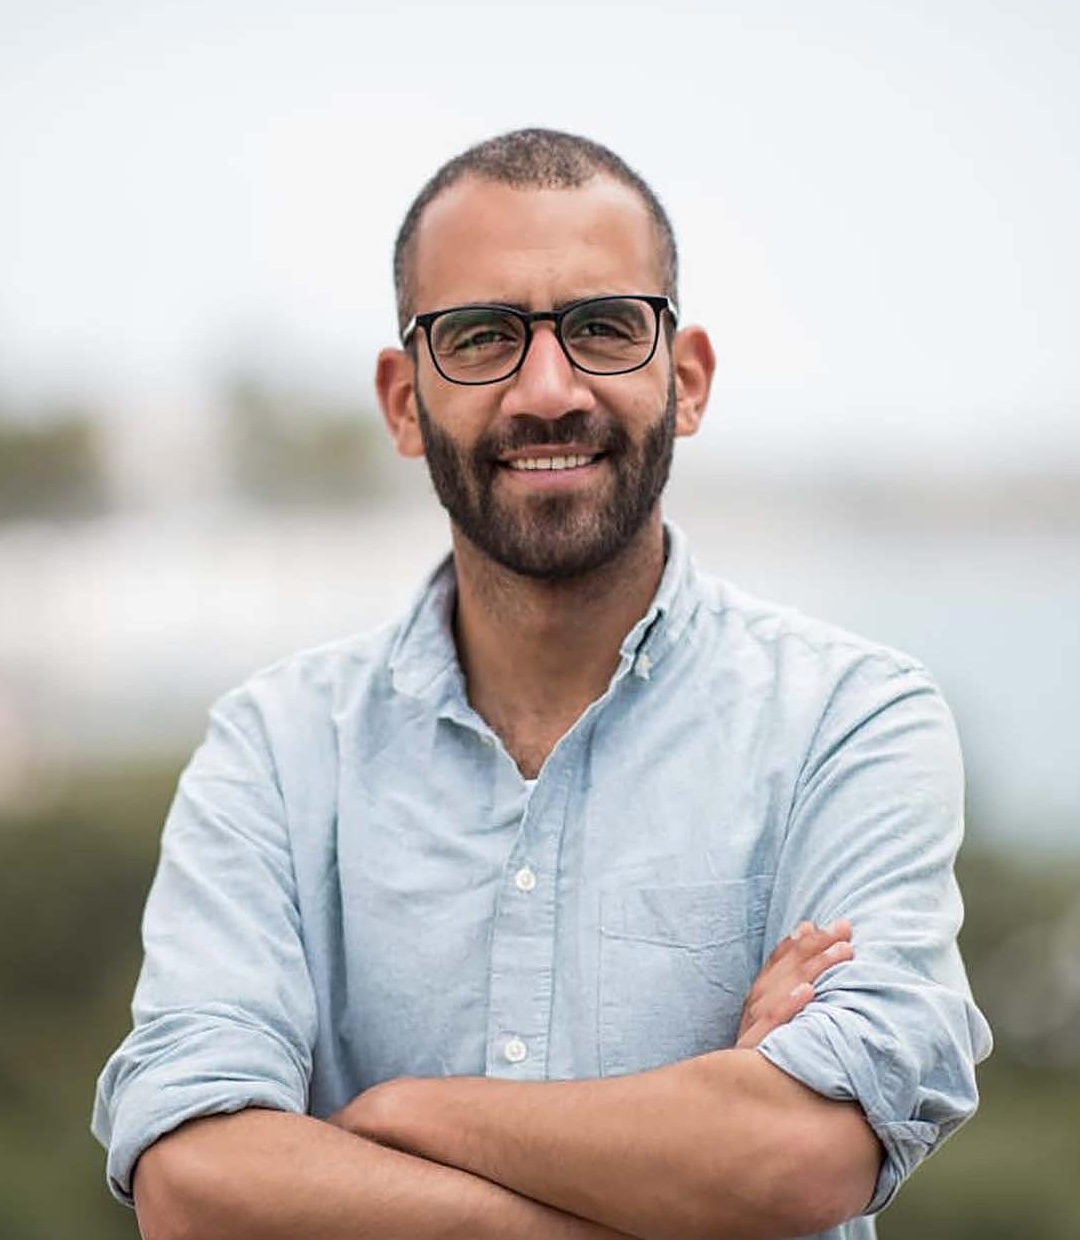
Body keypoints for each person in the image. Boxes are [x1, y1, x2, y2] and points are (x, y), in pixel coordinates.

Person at [92, 128, 991, 1240]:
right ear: (403, 401)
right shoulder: (275, 751)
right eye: (481, 337)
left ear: (687, 379)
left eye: (604, 328)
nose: (549, 390)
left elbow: (806, 1154)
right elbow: (193, 1183)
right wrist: (685, 1166)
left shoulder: (847, 723)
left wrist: (397, 1117)